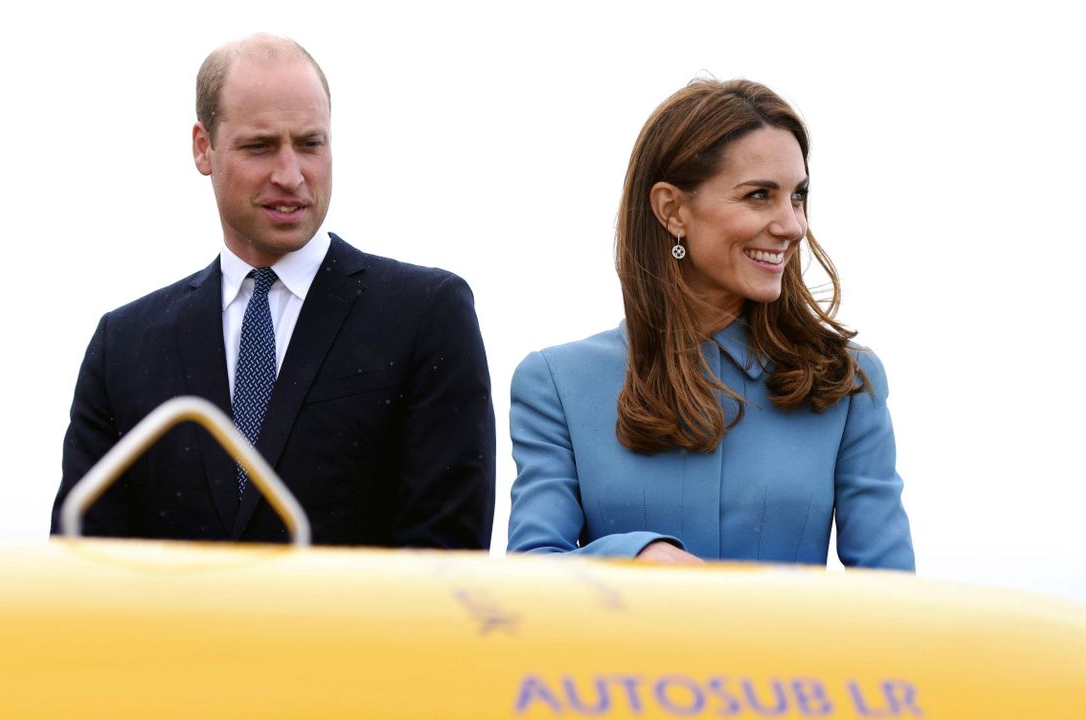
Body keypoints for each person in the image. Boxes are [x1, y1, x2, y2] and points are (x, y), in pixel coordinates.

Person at [50, 34, 495, 548]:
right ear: (203, 148)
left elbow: (446, 557)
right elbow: (83, 559)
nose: (290, 175)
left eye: (310, 143)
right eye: (260, 147)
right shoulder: (124, 346)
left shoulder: (426, 315)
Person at [507, 79, 913, 568]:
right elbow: (531, 571)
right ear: (672, 210)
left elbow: (890, 597)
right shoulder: (556, 384)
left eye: (798, 196)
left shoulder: (847, 384)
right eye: (760, 195)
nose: (793, 225)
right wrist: (638, 556)